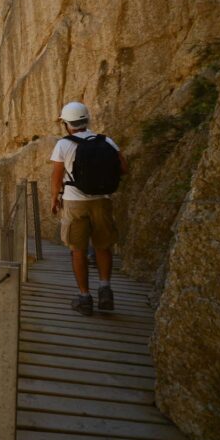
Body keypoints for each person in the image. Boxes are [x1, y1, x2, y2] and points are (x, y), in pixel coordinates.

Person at [50, 102, 128, 316]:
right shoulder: (106, 141)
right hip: (102, 201)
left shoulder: (63, 145)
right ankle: (105, 289)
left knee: (78, 250)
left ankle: (84, 298)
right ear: (87, 120)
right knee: (103, 246)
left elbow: (57, 175)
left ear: (66, 124)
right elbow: (123, 168)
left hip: (75, 203)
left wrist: (54, 198)